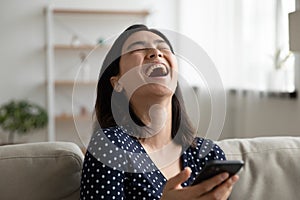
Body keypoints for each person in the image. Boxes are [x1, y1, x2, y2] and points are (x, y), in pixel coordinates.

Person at [80, 24, 239, 200]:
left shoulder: (209, 154)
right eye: (138, 48)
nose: (156, 53)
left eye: (163, 47)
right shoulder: (109, 146)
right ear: (118, 82)